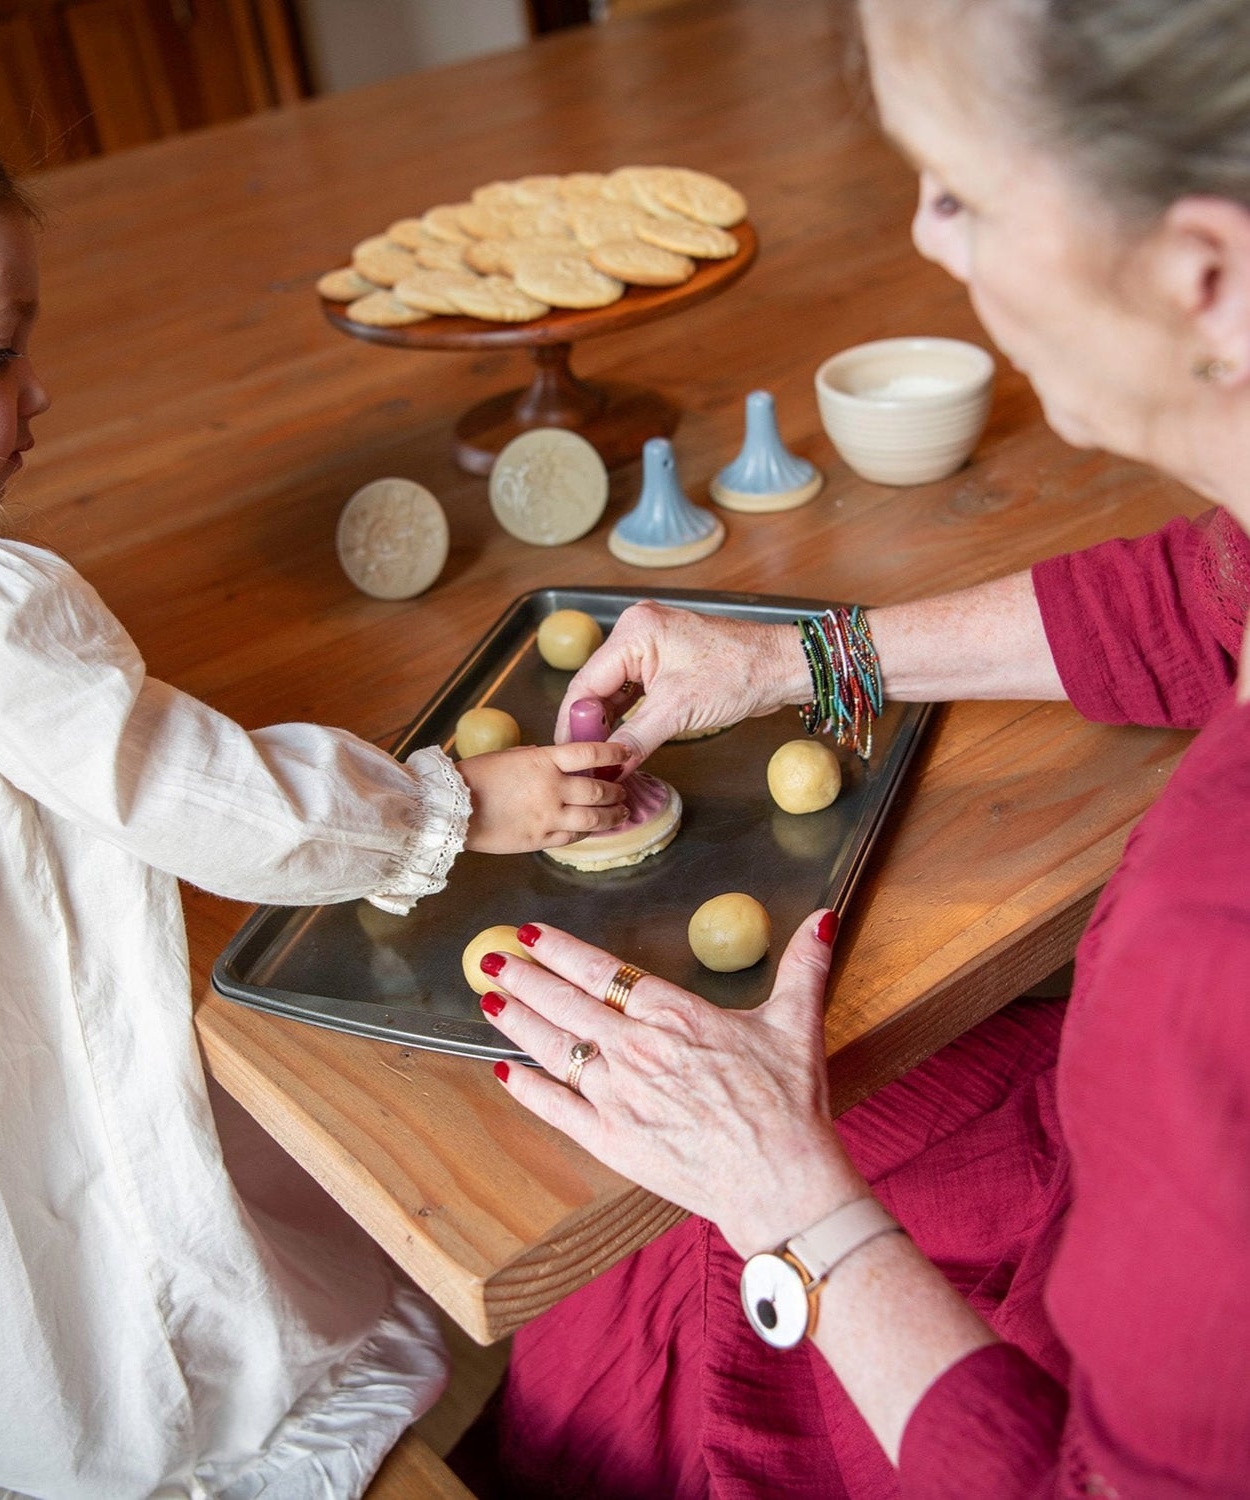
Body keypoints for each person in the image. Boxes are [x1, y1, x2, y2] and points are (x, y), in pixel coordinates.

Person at [0, 67, 632, 1500]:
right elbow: (198, 794)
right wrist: (453, 807)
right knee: (133, 1324)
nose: (38, 390)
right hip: (42, 1072)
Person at [451, 0, 1250, 1495]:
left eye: (962, 191)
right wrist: (800, 656)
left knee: (644, 1307)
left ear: (1198, 271)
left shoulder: (1221, 931)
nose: (931, 239)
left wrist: (790, 1201)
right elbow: (1197, 600)